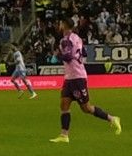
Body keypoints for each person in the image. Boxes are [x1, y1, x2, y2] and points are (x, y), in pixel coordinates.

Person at [50, 16, 121, 144]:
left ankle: (112, 118)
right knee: (64, 104)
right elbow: (84, 52)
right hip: (70, 77)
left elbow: (68, 56)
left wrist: (57, 55)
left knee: (86, 108)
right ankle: (64, 135)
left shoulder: (65, 40)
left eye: (60, 23)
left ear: (64, 25)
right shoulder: (77, 38)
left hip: (76, 77)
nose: (59, 25)